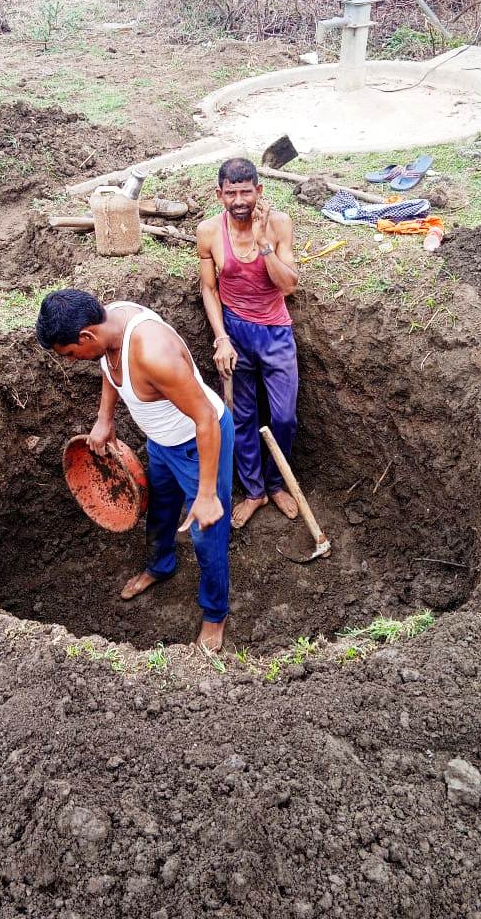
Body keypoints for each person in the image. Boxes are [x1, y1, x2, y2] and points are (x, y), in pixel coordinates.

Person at [35, 289, 233, 652]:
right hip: (161, 442)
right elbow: (109, 368)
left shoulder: (152, 353)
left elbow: (205, 417)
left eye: (70, 354)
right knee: (159, 510)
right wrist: (104, 418)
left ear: (86, 336)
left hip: (199, 443)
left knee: (207, 532)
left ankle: (215, 613)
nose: (73, 361)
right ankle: (160, 566)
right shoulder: (108, 324)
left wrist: (206, 494)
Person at [197, 157, 299, 529]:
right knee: (242, 417)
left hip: (275, 333)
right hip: (235, 333)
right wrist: (221, 338)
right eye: (231, 194)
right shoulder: (208, 232)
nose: (239, 201)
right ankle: (255, 491)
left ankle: (276, 483)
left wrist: (263, 245)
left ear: (259, 190)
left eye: (246, 192)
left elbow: (288, 286)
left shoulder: (279, 224)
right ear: (219, 194)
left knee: (284, 417)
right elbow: (209, 290)